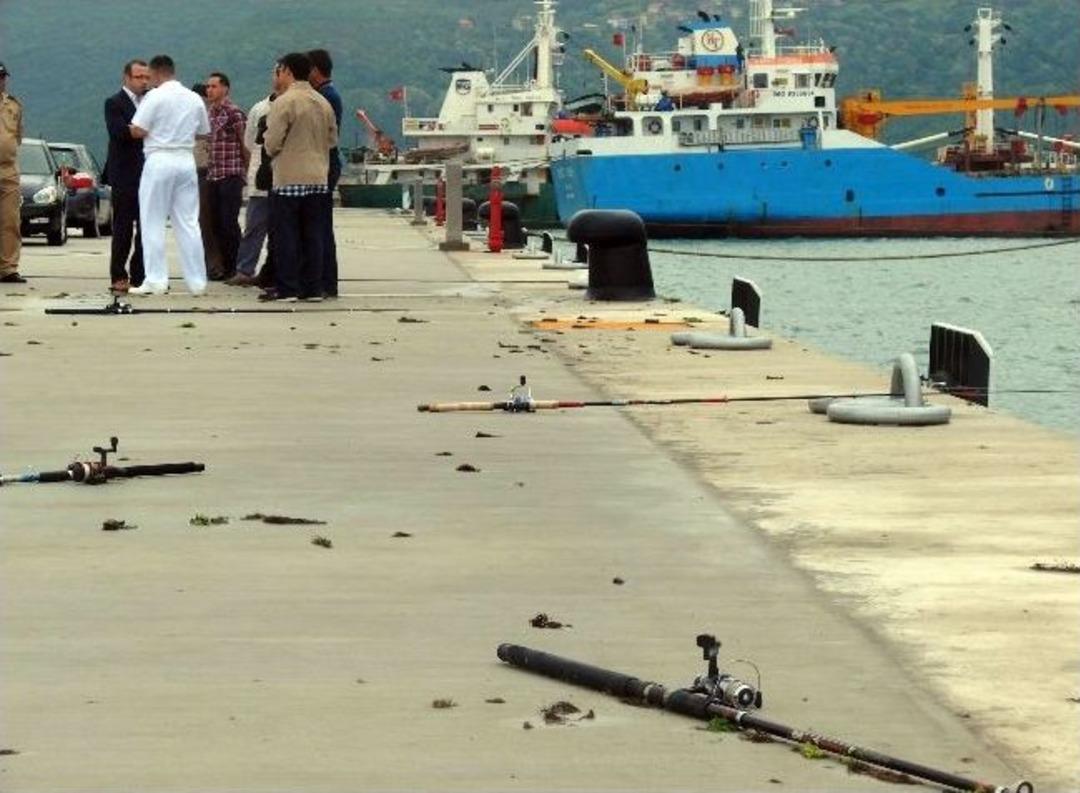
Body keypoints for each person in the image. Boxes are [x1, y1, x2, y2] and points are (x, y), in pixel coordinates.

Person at [128, 55, 210, 296]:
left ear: (156, 73)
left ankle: (156, 279)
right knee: (188, 222)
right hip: (185, 159)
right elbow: (204, 132)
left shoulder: (155, 96)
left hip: (159, 158)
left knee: (152, 220)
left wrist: (140, 130)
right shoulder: (194, 98)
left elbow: (139, 129)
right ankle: (197, 282)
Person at [260, 52, 337, 303]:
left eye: (279, 70)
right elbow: (333, 139)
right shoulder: (322, 101)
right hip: (318, 177)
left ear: (288, 71)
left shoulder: (285, 101)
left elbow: (271, 142)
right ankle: (313, 287)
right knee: (313, 234)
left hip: (289, 176)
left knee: (286, 234)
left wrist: (276, 152)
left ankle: (288, 287)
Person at [103, 59, 150, 292]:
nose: (144, 81)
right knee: (123, 228)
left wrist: (138, 130)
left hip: (149, 175)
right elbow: (119, 132)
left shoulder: (152, 101)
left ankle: (139, 275)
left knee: (146, 228)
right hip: (124, 176)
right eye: (139, 77)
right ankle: (118, 275)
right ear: (127, 78)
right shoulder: (114, 103)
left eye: (146, 77)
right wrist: (140, 131)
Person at [227, 78, 276, 287]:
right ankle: (244, 270)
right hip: (261, 177)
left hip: (285, 178)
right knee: (254, 227)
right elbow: (248, 141)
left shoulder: (292, 105)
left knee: (282, 230)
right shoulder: (259, 108)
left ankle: (275, 271)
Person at [204, 71, 246, 280]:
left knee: (229, 222)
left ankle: (236, 266)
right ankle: (221, 266)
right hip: (214, 174)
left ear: (225, 89)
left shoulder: (233, 112)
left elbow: (243, 142)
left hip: (231, 173)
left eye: (214, 86)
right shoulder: (209, 112)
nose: (209, 90)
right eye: (208, 86)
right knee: (216, 223)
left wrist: (247, 173)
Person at [307, 49, 341, 298]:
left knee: (320, 226)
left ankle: (325, 280)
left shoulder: (325, 97)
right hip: (326, 163)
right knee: (321, 226)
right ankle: (325, 280)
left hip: (324, 164)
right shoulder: (326, 94)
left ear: (316, 71)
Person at [192, 83, 224, 279]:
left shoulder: (205, 114)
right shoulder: (206, 113)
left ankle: (214, 265)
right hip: (200, 171)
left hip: (204, 171)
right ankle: (210, 264)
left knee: (205, 221)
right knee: (205, 221)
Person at [0, 62, 25, 284]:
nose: (1, 81)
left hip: (8, 170)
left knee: (10, 220)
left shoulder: (14, 105)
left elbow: (17, 136)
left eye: (3, 77)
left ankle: (8, 268)